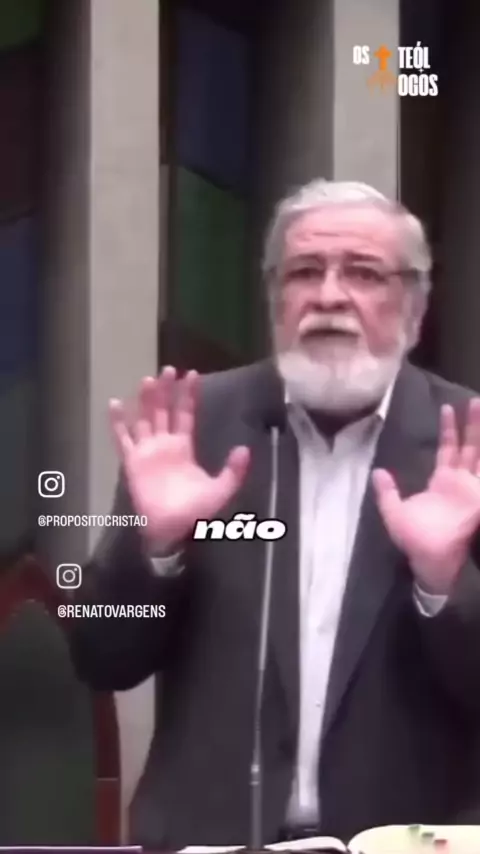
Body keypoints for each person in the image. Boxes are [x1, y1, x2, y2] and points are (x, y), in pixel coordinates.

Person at [68, 180, 480, 849]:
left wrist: (443, 581)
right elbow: (100, 655)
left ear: (414, 307)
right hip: (213, 841)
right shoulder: (196, 428)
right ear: (275, 298)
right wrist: (156, 547)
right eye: (305, 272)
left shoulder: (467, 445)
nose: (329, 296)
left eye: (363, 273)